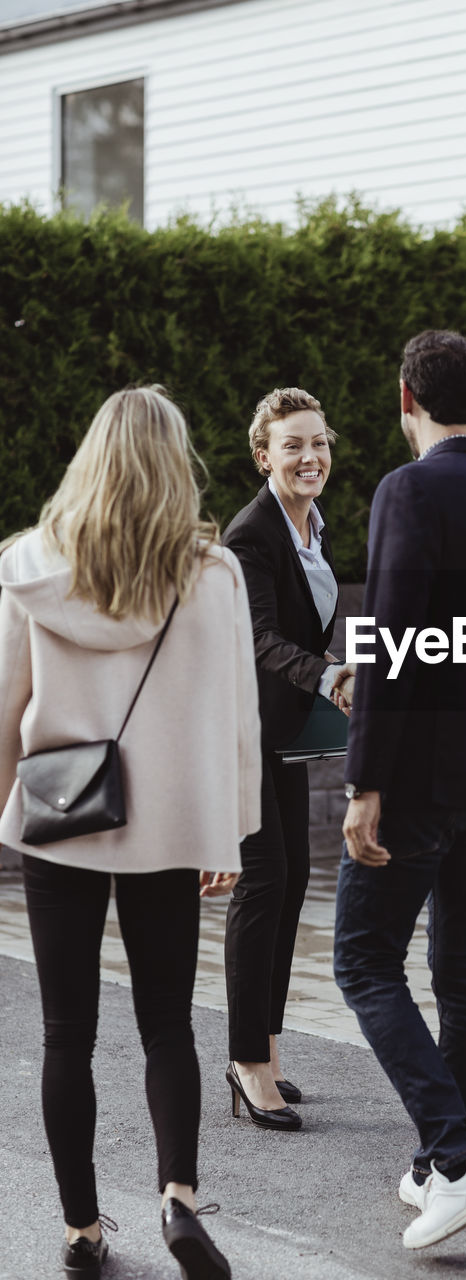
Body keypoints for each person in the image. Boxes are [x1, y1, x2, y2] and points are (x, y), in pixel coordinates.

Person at [0, 386, 262, 1279]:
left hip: (60, 821)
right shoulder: (211, 572)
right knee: (167, 1027)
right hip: (170, 824)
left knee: (65, 1032)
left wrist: (4, 818)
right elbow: (236, 719)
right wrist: (228, 836)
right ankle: (178, 1200)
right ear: (172, 461)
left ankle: (80, 1231)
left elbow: (5, 707)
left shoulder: (29, 565)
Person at [333, 330, 466, 1250]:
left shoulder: (406, 489)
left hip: (420, 774)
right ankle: (435, 1168)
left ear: (404, 397)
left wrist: (363, 782)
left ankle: (455, 1161)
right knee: (461, 973)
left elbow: (394, 643)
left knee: (363, 959)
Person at [222, 387, 354, 1129]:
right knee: (262, 881)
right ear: (264, 456)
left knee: (292, 878)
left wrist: (331, 663)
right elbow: (258, 639)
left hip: (285, 731)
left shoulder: (311, 528)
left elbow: (302, 630)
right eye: (293, 446)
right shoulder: (253, 534)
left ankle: (264, 1048)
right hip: (243, 729)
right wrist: (328, 674)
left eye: (319, 443)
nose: (311, 457)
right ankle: (246, 1062)